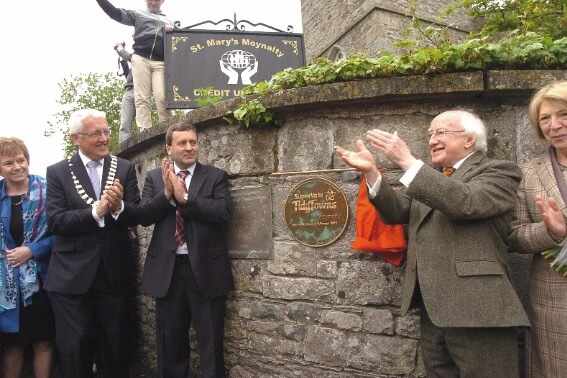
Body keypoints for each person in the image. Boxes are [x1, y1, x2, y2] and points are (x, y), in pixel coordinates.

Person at [334, 109, 530, 376]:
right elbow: (397, 212)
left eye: (441, 132)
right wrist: (371, 174)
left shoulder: (498, 170)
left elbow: (465, 202)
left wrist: (407, 161)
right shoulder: (435, 176)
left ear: (469, 139)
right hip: (433, 308)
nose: (431, 140)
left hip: (479, 308)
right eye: (430, 134)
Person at [45, 109, 141, 377]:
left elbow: (137, 213)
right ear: (76, 138)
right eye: (95, 133)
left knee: (116, 345)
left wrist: (119, 206)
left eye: (106, 132)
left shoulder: (124, 167)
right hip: (71, 276)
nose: (103, 139)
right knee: (76, 347)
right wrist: (94, 213)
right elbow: (55, 222)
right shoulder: (58, 172)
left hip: (113, 274)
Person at [137, 122, 234, 377]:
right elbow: (144, 216)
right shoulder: (154, 178)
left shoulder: (215, 176)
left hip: (206, 271)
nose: (189, 147)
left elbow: (223, 213)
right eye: (182, 143)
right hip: (168, 273)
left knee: (211, 343)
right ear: (169, 148)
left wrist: (186, 199)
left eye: (193, 142)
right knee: (170, 344)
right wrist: (167, 195)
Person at [509, 81, 567, 377]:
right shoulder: (528, 173)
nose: (554, 125)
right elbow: (514, 235)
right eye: (545, 118)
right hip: (553, 304)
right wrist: (551, 232)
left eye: (563, 114)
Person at [0, 138, 55, 378]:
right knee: (12, 345)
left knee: (43, 342)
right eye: (8, 162)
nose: (17, 166)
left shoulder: (49, 190)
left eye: (21, 160)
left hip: (41, 280)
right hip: (5, 286)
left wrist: (32, 250)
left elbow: (62, 234)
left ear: (28, 160)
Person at [96, 0, 174, 132]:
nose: (153, 3)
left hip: (160, 61)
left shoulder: (168, 20)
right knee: (142, 97)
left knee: (162, 97)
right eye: (151, 0)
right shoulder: (138, 14)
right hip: (141, 58)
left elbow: (178, 41)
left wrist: (172, 31)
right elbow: (115, 13)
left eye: (157, 0)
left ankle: (168, 129)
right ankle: (144, 129)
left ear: (162, 1)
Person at [115, 42, 136, 143]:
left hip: (142, 91)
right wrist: (122, 59)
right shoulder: (135, 57)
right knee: (124, 124)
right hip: (129, 90)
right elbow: (128, 74)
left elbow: (130, 57)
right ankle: (123, 149)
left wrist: (120, 50)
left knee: (142, 122)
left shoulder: (142, 56)